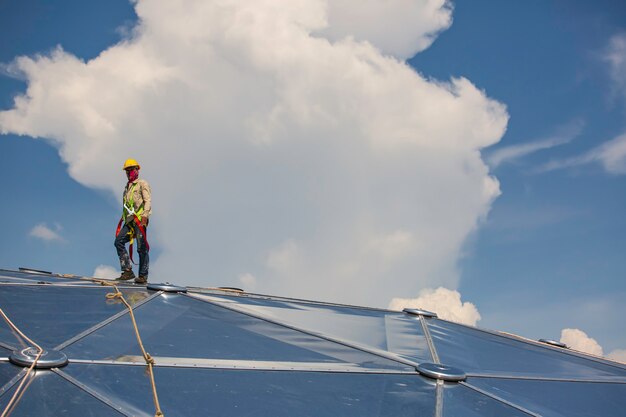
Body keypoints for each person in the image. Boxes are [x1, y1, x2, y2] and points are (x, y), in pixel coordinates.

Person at [115, 158, 152, 284]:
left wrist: (145, 216)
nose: (129, 172)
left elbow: (147, 201)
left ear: (137, 170)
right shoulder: (127, 188)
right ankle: (127, 271)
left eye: (131, 170)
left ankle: (143, 276)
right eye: (127, 170)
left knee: (141, 247)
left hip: (140, 219)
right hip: (129, 221)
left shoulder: (142, 184)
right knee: (118, 241)